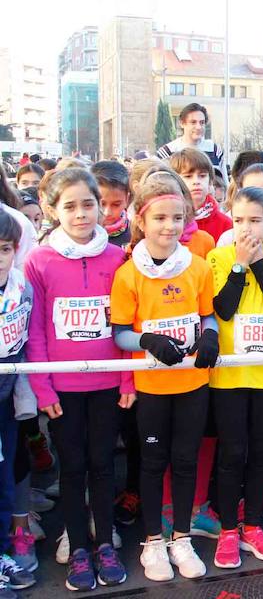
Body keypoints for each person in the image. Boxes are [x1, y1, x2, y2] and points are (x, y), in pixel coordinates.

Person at [25, 168, 131, 591]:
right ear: (53, 210)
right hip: (62, 392)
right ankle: (79, 551)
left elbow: (125, 325)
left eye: (89, 204)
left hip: (107, 386)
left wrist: (127, 380)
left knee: (103, 466)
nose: (82, 214)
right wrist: (43, 387)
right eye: (70, 207)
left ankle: (104, 542)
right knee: (72, 468)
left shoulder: (117, 258)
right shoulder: (39, 261)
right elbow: (34, 331)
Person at [111, 171, 218, 581]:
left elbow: (207, 315)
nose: (169, 226)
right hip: (152, 387)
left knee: (186, 461)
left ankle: (182, 537)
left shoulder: (197, 266)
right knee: (153, 463)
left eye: (177, 218)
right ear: (142, 221)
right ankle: (153, 541)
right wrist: (147, 340)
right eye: (160, 219)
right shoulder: (128, 274)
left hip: (193, 384)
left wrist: (210, 337)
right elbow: (120, 334)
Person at [207, 187, 263, 569]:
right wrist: (239, 265)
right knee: (231, 454)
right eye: (239, 220)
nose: (246, 229)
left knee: (260, 454)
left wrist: (258, 263)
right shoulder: (218, 256)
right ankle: (228, 529)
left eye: (255, 221)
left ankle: (253, 525)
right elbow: (222, 309)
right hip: (228, 376)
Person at [0, 210, 37, 593]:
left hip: (7, 402)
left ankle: (3, 553)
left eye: (5, 249)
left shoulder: (21, 288)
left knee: (5, 481)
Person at [170, 148, 233, 244]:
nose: (196, 181)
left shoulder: (226, 224)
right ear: (174, 180)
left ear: (210, 181)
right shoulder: (168, 222)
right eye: (188, 176)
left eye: (202, 176)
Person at [156, 104, 225, 175]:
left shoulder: (215, 150)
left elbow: (224, 183)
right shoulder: (167, 152)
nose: (198, 127)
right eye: (193, 122)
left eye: (202, 122)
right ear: (182, 123)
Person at [90, 161, 132, 248]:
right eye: (101, 204)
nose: (107, 212)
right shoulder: (78, 236)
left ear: (126, 199)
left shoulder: (136, 236)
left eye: (116, 204)